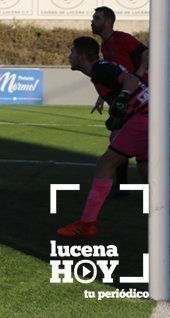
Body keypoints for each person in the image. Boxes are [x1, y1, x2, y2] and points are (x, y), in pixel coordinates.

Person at [57, 37, 149, 238]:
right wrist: (119, 117)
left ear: (81, 55)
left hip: (144, 117)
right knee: (145, 170)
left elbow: (132, 80)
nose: (69, 56)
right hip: (146, 116)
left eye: (72, 52)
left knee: (105, 165)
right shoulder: (100, 70)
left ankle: (87, 223)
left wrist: (123, 100)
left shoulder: (100, 69)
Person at [90, 6, 149, 195]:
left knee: (117, 136)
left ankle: (120, 187)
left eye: (97, 18)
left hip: (141, 95)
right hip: (130, 95)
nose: (92, 21)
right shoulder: (105, 46)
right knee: (118, 136)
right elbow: (115, 74)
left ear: (108, 22)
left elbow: (146, 54)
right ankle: (122, 187)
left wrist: (137, 76)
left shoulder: (122, 38)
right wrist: (101, 97)